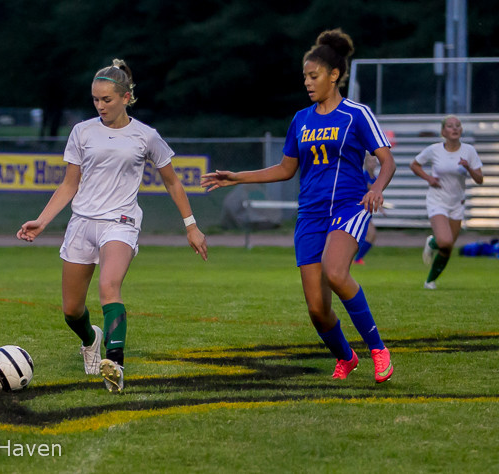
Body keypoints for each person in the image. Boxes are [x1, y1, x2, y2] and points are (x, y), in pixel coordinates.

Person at [201, 29, 396, 384]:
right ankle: (346, 357)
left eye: (313, 76)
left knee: (336, 272)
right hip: (310, 215)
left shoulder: (356, 114)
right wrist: (237, 177)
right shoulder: (301, 120)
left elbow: (387, 161)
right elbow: (286, 169)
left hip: (348, 207)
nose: (307, 82)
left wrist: (377, 189)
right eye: (305, 77)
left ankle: (378, 350)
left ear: (334, 75)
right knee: (318, 311)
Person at [17, 59, 208, 393]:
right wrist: (42, 221)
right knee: (71, 310)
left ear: (125, 97)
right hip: (82, 223)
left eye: (106, 99)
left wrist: (191, 226)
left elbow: (173, 183)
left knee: (109, 287)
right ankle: (91, 340)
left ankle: (115, 364)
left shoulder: (146, 136)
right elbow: (68, 184)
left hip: (121, 221)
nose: (100, 106)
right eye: (95, 99)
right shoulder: (82, 132)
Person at [410, 115, 483, 289]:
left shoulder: (469, 151)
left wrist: (468, 168)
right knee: (445, 241)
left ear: (461, 130)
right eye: (450, 126)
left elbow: (480, 179)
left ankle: (430, 281)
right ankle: (432, 242)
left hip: (457, 203)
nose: (455, 128)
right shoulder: (434, 149)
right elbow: (414, 164)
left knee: (447, 248)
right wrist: (429, 178)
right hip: (437, 201)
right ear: (443, 131)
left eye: (458, 125)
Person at [353, 153, 379, 264]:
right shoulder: (363, 176)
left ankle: (357, 258)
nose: (372, 164)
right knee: (370, 234)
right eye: (370, 161)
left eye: (374, 161)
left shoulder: (376, 178)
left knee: (371, 236)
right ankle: (356, 259)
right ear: (365, 163)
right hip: (359, 209)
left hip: (367, 210)